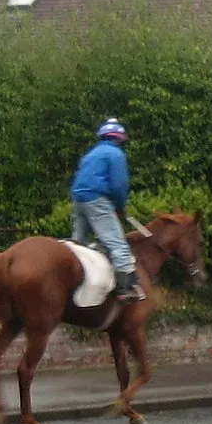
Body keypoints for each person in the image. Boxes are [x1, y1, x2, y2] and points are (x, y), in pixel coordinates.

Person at [71, 118, 144, 302]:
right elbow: (119, 184)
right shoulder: (115, 154)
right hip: (97, 199)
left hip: (78, 199)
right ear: (119, 138)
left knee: (78, 242)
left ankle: (75, 281)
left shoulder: (91, 153)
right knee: (117, 243)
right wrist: (119, 206)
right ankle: (124, 289)